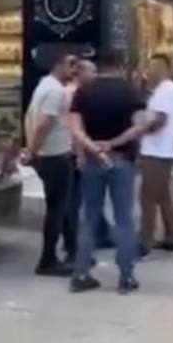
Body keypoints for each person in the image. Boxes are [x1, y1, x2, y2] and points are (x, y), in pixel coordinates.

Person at [69, 50, 146, 295]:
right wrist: (112, 143)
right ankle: (126, 277)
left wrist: (93, 147)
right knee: (123, 218)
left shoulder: (84, 91)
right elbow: (140, 126)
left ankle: (81, 273)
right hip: (121, 159)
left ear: (98, 66)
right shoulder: (130, 91)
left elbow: (75, 128)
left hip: (93, 162)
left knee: (90, 216)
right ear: (120, 65)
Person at [24, 50, 78, 277]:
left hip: (50, 154)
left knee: (60, 207)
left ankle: (71, 248)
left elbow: (31, 118)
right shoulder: (55, 91)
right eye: (71, 64)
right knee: (57, 209)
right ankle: (48, 260)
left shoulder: (44, 86)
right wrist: (32, 150)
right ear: (58, 65)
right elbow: (43, 124)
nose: (75, 69)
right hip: (54, 156)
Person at [138, 54, 173, 257]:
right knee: (162, 195)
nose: (148, 72)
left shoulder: (166, 91)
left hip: (156, 151)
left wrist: (141, 129)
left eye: (152, 67)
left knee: (147, 197)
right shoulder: (165, 90)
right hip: (163, 149)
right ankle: (171, 235)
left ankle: (144, 240)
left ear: (163, 68)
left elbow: (160, 120)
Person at [67, 60, 114, 253]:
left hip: (85, 149)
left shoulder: (85, 93)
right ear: (80, 73)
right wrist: (80, 154)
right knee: (78, 198)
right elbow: (75, 129)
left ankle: (99, 233)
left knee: (89, 195)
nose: (95, 75)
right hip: (75, 151)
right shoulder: (73, 93)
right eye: (92, 71)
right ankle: (75, 239)